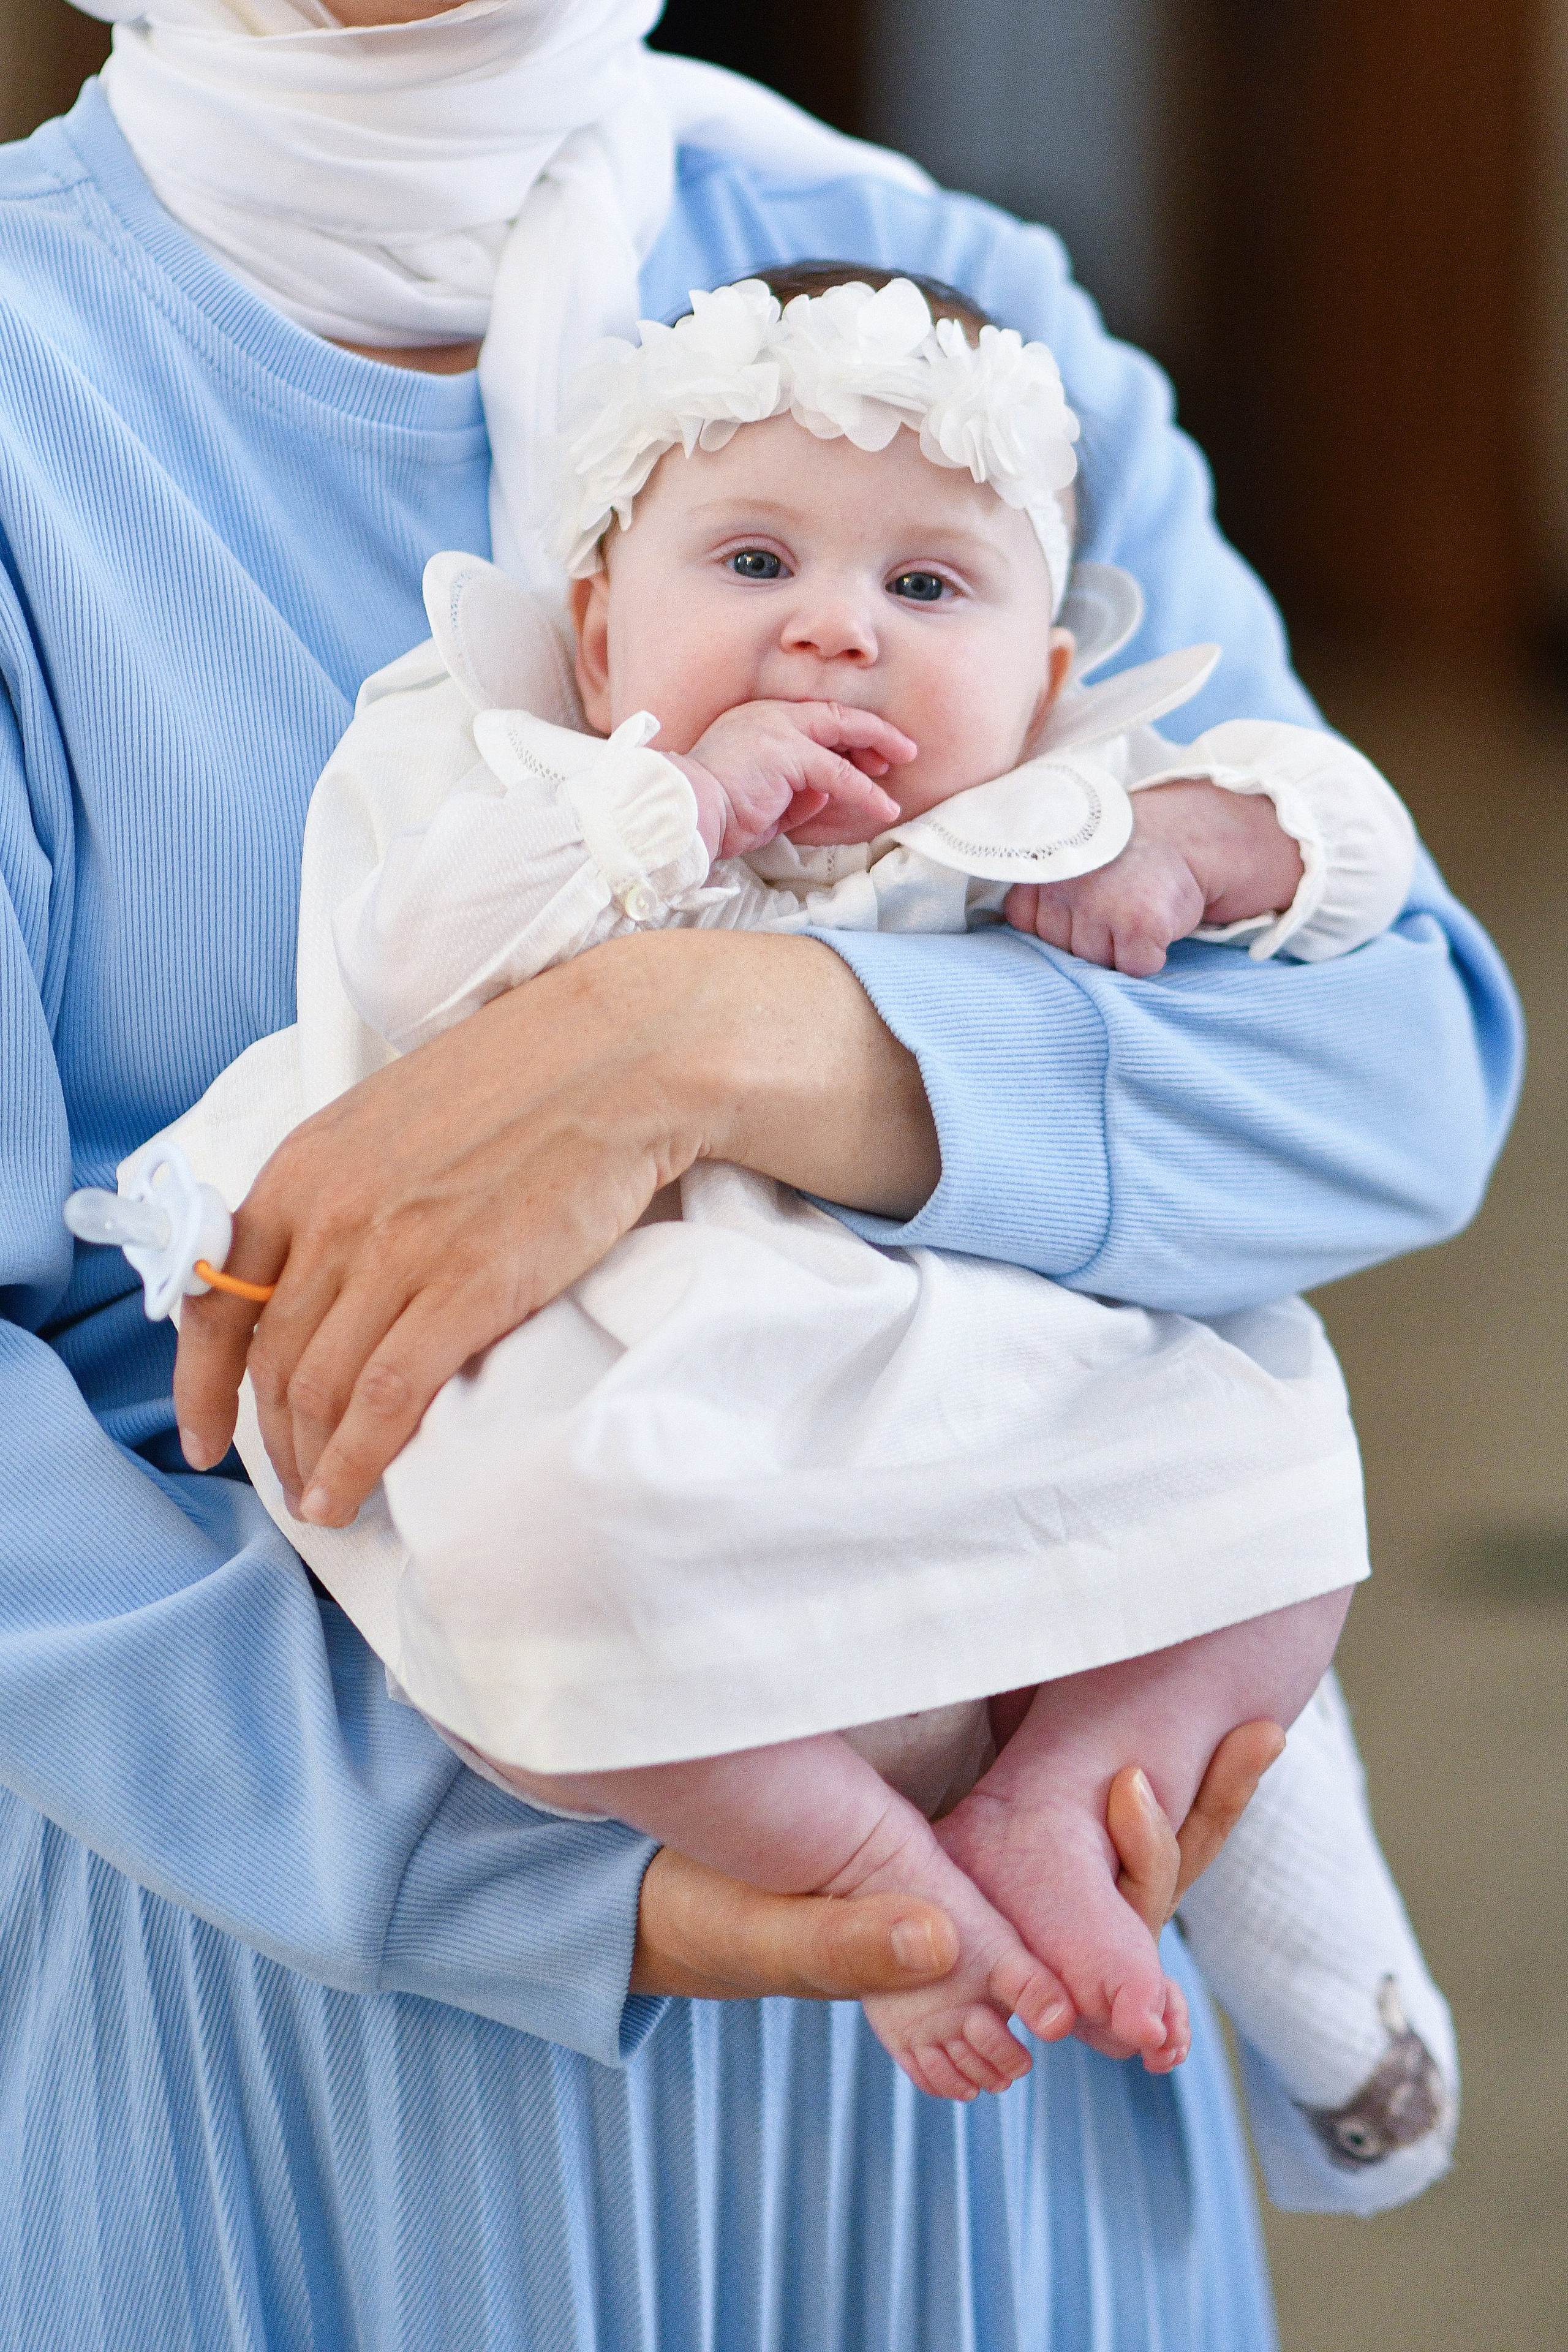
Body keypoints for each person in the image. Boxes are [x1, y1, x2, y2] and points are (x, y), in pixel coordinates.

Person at [0, 6, 1521, 2351]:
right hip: (277, 1998)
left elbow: (1397, 1054)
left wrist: (724, 1042)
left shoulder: (937, 319)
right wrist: (539, 1872)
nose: (841, 624)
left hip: (983, 2093)